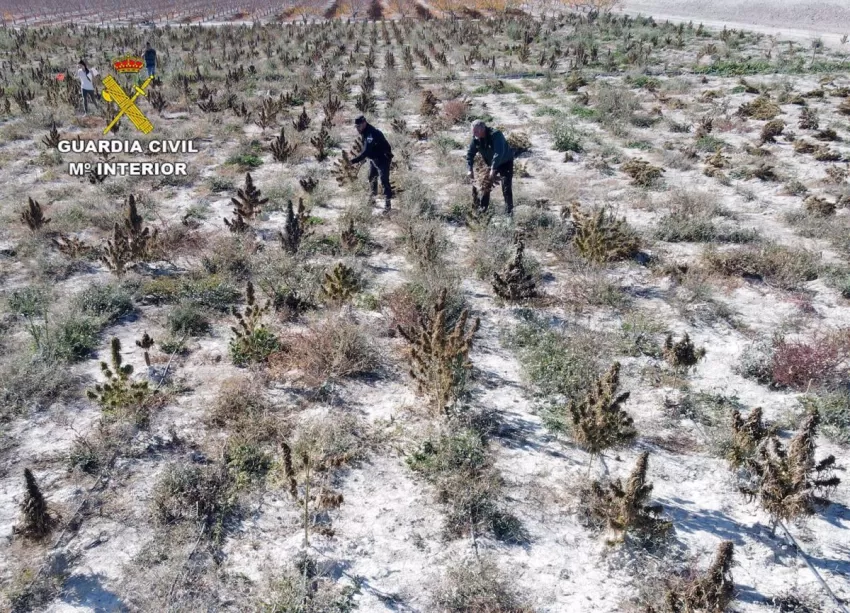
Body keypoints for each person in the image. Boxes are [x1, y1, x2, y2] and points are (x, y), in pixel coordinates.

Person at [466, 119, 515, 215]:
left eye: (476, 131)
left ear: (483, 129)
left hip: (505, 162)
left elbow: (498, 153)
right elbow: (470, 154)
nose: (474, 134)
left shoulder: (496, 135)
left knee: (506, 187)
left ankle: (509, 212)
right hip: (490, 163)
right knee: (485, 186)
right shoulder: (476, 139)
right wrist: (469, 168)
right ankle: (483, 211)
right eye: (473, 132)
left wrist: (493, 168)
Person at [351, 115, 394, 211]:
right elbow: (367, 149)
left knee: (384, 180)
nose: (357, 128)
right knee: (372, 177)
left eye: (359, 126)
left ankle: (388, 205)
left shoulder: (370, 133)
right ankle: (372, 199)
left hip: (383, 158)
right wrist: (362, 159)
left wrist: (352, 161)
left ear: (364, 123)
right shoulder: (365, 132)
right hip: (374, 158)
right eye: (356, 126)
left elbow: (366, 151)